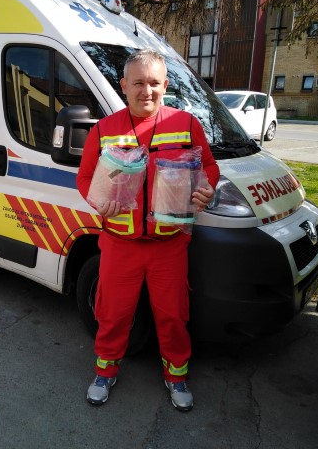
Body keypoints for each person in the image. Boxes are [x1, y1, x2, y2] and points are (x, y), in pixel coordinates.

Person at [76, 49, 220, 411]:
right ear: (124, 85)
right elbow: (85, 177)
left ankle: (177, 376)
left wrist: (206, 188)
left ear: (165, 85)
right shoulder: (104, 130)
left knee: (172, 315)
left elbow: (209, 167)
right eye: (138, 82)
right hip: (119, 243)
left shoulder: (186, 124)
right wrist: (98, 202)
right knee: (113, 313)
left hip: (169, 244)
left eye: (154, 82)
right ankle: (105, 372)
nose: (147, 90)